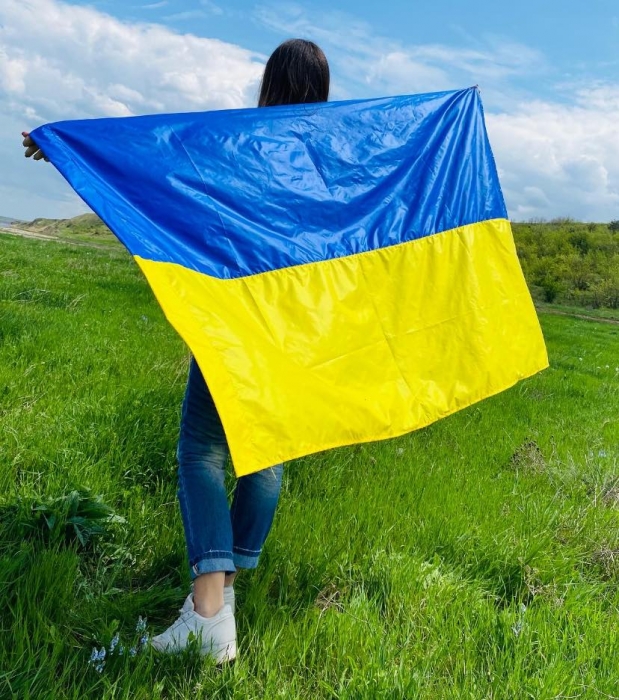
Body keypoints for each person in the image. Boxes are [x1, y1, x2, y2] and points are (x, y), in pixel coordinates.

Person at [23, 38, 331, 663]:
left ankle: (209, 617)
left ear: (270, 83)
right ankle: (226, 590)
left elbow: (157, 160)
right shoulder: (327, 163)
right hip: (295, 330)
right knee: (267, 453)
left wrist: (66, 146)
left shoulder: (242, 145)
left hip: (237, 322)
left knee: (201, 451)